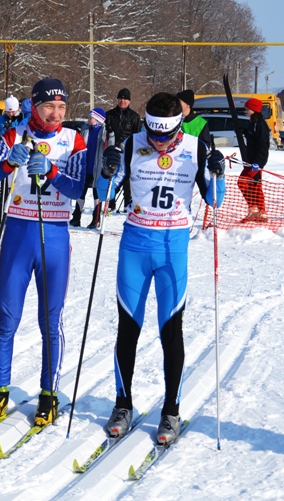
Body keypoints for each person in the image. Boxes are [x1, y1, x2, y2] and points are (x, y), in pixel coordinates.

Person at [97, 92, 225, 444]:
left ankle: (171, 410)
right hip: (135, 247)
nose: (158, 143)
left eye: (165, 136)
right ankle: (123, 404)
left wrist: (218, 173)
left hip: (173, 248)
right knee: (128, 328)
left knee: (171, 331)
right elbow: (102, 193)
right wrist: (107, 169)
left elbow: (214, 200)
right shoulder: (131, 145)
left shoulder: (196, 148)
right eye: (153, 135)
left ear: (178, 127)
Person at [0, 78, 86, 427]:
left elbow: (79, 188)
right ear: (34, 106)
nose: (55, 115)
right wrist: (9, 164)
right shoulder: (15, 134)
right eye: (48, 108)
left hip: (54, 236)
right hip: (18, 234)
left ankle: (48, 394)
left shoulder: (73, 140)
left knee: (50, 323)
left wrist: (53, 171)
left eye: (61, 108)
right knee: (6, 319)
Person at [105, 88, 142, 212]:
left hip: (127, 151)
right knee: (111, 175)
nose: (123, 101)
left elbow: (137, 136)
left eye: (125, 99)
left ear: (129, 101)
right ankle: (110, 202)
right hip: (112, 150)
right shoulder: (109, 115)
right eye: (120, 98)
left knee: (127, 178)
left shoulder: (135, 117)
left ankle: (128, 203)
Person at [70, 108, 106, 229]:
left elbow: (108, 146)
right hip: (85, 166)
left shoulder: (103, 131)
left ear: (99, 120)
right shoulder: (86, 129)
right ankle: (76, 218)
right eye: (89, 117)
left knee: (96, 194)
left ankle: (95, 219)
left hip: (97, 167)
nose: (89, 119)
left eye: (92, 117)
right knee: (81, 192)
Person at [238, 98, 270, 222]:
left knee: (245, 183)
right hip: (250, 160)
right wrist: (244, 131)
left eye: (247, 109)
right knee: (252, 185)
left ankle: (259, 211)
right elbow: (253, 138)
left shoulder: (261, 124)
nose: (246, 111)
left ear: (253, 109)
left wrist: (258, 162)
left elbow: (263, 145)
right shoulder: (253, 122)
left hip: (256, 161)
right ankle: (256, 210)